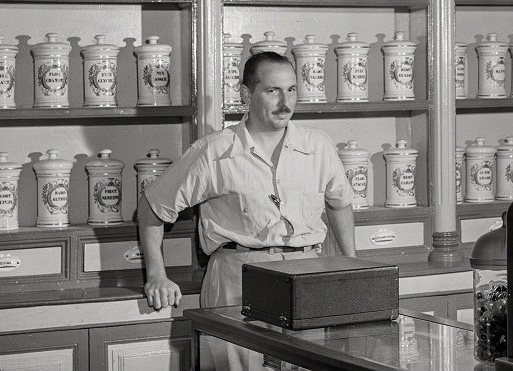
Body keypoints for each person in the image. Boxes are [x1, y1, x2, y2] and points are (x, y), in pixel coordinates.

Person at [140, 51, 356, 314]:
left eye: (291, 90)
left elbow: (340, 203)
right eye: (272, 91)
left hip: (308, 275)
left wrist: (352, 263)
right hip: (237, 277)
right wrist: (156, 275)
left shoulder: (317, 145)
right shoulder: (213, 150)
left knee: (306, 355)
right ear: (246, 94)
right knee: (237, 354)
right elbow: (152, 207)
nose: (285, 102)